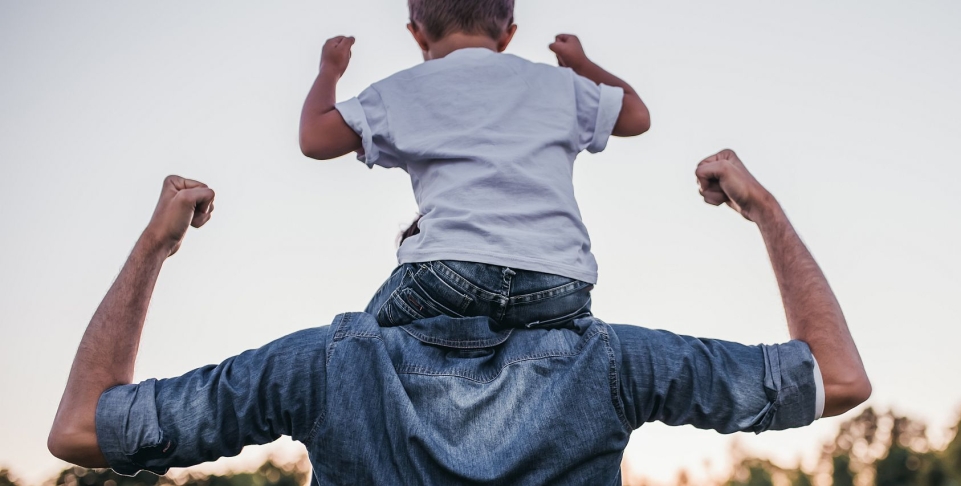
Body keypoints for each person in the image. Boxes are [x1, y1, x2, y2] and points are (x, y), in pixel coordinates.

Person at [48, 150, 871, 485]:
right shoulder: (612, 365)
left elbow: (82, 430)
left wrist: (154, 248)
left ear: (413, 253)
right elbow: (838, 379)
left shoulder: (325, 367)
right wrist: (764, 211)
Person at [298, 0, 651, 330]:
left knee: (360, 342)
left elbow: (314, 138)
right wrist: (581, 65)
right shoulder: (559, 85)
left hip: (451, 274)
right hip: (560, 282)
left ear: (417, 34)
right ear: (508, 34)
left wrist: (329, 71)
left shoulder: (404, 90)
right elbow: (637, 116)